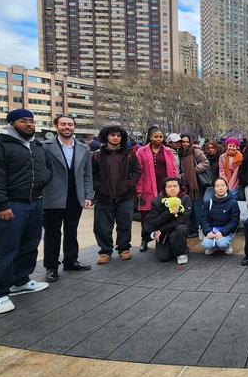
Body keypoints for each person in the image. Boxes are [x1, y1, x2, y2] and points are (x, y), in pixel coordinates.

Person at [0, 109, 53, 314]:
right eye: (23, 121)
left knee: (29, 245)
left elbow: (46, 169)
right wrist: (0, 204)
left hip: (35, 202)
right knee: (5, 249)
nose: (29, 124)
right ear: (12, 123)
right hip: (10, 206)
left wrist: (43, 180)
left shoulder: (36, 145)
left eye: (31, 121)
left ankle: (20, 281)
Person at [42, 114, 94, 283]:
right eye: (63, 124)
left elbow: (87, 174)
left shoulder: (83, 148)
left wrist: (88, 195)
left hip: (75, 197)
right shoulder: (45, 146)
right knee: (52, 234)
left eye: (70, 124)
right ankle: (51, 266)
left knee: (72, 231)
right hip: (53, 197)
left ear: (74, 127)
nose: (67, 127)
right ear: (56, 126)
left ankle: (71, 261)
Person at [92, 125, 142, 264]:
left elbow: (137, 171)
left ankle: (124, 248)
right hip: (104, 196)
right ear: (106, 136)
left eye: (119, 135)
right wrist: (98, 187)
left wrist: (129, 184)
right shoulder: (97, 155)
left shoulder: (129, 153)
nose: (116, 138)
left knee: (125, 224)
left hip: (125, 196)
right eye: (113, 135)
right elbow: (92, 174)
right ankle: (105, 251)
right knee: (102, 226)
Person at [136, 127, 178, 252]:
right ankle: (145, 239)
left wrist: (175, 185)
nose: (158, 139)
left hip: (165, 187)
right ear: (150, 137)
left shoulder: (168, 151)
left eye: (160, 137)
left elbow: (174, 169)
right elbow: (138, 171)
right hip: (147, 188)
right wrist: (138, 190)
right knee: (147, 216)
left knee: (166, 214)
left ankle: (161, 240)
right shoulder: (141, 151)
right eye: (156, 136)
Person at [145, 177, 191, 265]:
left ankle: (182, 253)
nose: (172, 189)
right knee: (164, 257)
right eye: (169, 186)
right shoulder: (157, 201)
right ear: (165, 189)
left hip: (174, 228)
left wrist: (162, 229)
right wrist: (169, 212)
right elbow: (154, 222)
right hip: (163, 233)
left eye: (175, 186)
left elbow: (183, 219)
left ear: (179, 187)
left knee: (181, 228)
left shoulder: (185, 199)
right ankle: (172, 246)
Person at [177, 133, 210, 237]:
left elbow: (205, 162)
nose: (185, 144)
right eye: (183, 141)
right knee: (188, 207)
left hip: (196, 184)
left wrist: (194, 170)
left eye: (187, 141)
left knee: (196, 207)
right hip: (184, 184)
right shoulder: (179, 153)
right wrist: (183, 175)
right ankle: (192, 228)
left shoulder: (195, 151)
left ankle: (198, 230)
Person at [200, 177, 240, 255]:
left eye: (222, 185)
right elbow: (204, 219)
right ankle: (213, 247)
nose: (220, 188)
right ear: (214, 189)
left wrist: (222, 232)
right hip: (212, 230)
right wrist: (208, 231)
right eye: (217, 186)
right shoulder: (209, 202)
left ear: (226, 187)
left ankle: (226, 246)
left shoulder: (233, 203)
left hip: (225, 231)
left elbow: (234, 221)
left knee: (222, 243)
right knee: (206, 244)